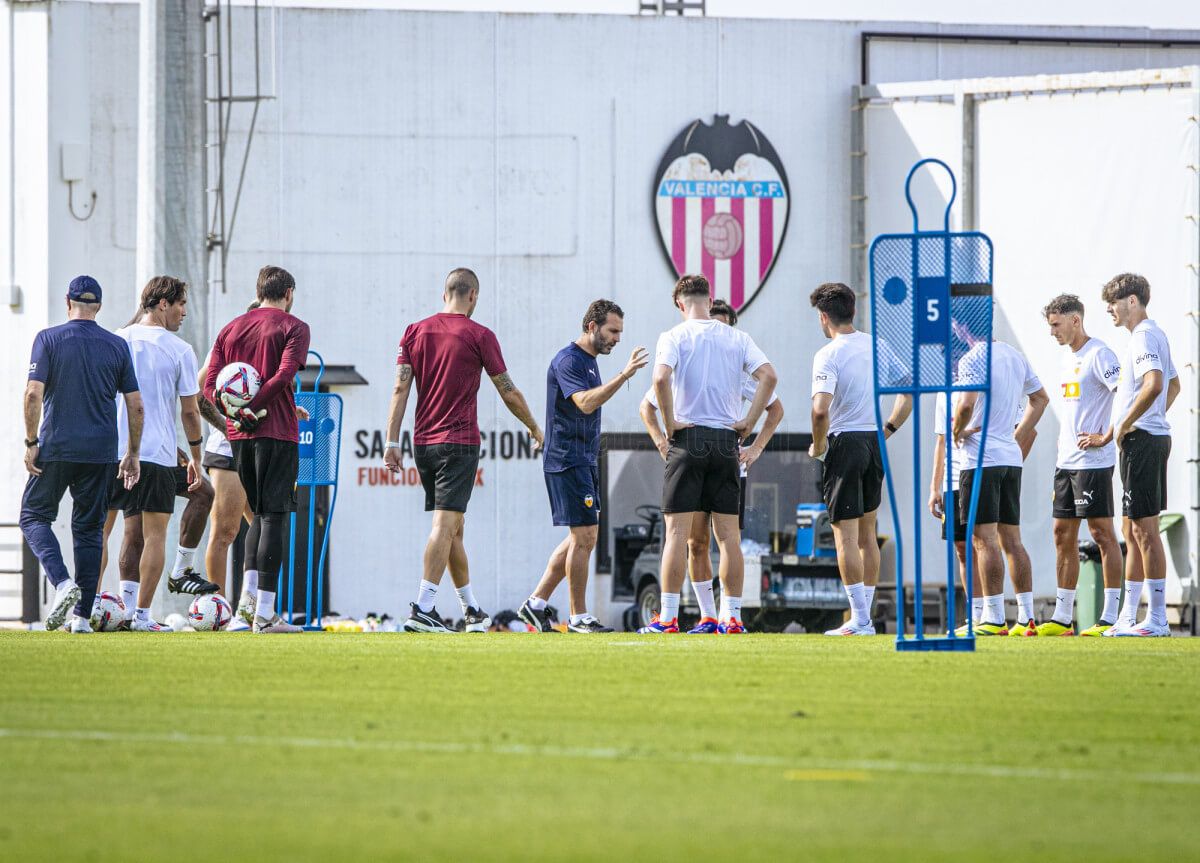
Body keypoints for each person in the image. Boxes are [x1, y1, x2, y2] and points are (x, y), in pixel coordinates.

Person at [385, 268, 544, 633]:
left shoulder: (414, 331)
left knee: (454, 527)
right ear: (472, 296)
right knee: (445, 525)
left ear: (445, 294)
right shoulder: (480, 335)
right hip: (458, 443)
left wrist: (392, 442)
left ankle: (472, 611)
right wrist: (534, 426)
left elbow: (399, 389)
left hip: (422, 443)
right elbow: (508, 390)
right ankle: (423, 607)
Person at [638, 274, 777, 634]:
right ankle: (732, 617)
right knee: (729, 538)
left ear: (680, 304)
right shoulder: (737, 337)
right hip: (726, 441)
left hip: (689, 437)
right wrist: (748, 421)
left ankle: (668, 617)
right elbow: (770, 377)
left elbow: (659, 380)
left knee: (676, 534)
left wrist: (669, 425)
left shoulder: (675, 335)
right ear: (709, 298)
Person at [20, 276, 143, 632]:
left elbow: (32, 394)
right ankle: (82, 619)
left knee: (33, 516)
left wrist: (31, 442)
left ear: (67, 301)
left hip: (57, 446)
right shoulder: (117, 345)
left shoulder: (48, 339)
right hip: (101, 451)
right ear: (99, 306)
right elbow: (135, 405)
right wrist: (132, 452)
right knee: (90, 531)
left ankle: (62, 583)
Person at [518, 300, 647, 634]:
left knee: (583, 536)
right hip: (567, 459)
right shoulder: (569, 360)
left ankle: (536, 604)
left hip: (584, 458)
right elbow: (585, 403)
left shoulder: (589, 361)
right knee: (585, 535)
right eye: (612, 330)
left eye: (620, 331)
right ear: (592, 326)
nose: (618, 338)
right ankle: (578, 617)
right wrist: (624, 375)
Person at [100, 277, 215, 632]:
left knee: (103, 533)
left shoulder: (115, 339)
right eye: (181, 304)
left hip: (111, 452)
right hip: (157, 454)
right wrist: (195, 456)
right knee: (152, 536)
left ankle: (89, 608)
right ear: (163, 303)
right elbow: (191, 412)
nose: (184, 312)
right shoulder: (179, 348)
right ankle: (141, 616)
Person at [203, 265, 311, 634]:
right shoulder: (294, 327)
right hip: (277, 433)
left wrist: (234, 410)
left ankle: (244, 613)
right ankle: (264, 613)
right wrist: (255, 407)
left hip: (239, 436)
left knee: (258, 516)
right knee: (273, 516)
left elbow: (209, 387)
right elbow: (282, 375)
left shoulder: (231, 328)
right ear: (289, 293)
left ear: (259, 290)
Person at [808, 283, 912, 636]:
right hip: (873, 441)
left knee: (845, 537)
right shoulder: (877, 345)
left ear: (824, 317)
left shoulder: (828, 354)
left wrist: (818, 447)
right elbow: (908, 389)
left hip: (845, 442)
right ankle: (863, 618)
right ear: (852, 310)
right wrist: (890, 428)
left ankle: (859, 619)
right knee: (869, 533)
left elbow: (820, 411)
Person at [1036, 294, 1125, 636]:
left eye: (1056, 324)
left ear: (1076, 320)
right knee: (1062, 535)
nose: (1052, 332)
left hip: (1094, 462)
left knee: (1103, 534)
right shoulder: (1066, 359)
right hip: (1066, 463)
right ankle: (1061, 618)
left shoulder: (1100, 354)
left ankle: (1111, 617)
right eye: (1050, 326)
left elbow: (1125, 396)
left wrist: (1106, 435)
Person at [952, 326, 1049, 636]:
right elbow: (1040, 399)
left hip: (981, 459)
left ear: (964, 328)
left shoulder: (972, 359)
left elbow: (965, 406)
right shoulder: (1015, 355)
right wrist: (1015, 437)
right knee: (1012, 540)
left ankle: (993, 618)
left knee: (983, 539)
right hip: (1009, 458)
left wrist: (957, 431)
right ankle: (1026, 617)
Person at [1101, 274, 1180, 637]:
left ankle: (1159, 619)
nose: (1109, 310)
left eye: (1113, 302)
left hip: (1144, 441)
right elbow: (1174, 385)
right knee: (1131, 529)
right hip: (1144, 439)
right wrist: (1149, 417)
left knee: (1145, 530)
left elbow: (1156, 384)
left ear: (1132, 301)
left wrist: (1129, 422)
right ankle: (1127, 618)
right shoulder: (1147, 336)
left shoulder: (1146, 335)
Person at [928, 391, 973, 634]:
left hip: (977, 472)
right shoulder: (943, 393)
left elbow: (1019, 429)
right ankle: (974, 614)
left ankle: (991, 614)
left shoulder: (982, 377)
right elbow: (941, 441)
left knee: (983, 544)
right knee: (961, 549)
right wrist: (935, 487)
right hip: (952, 482)